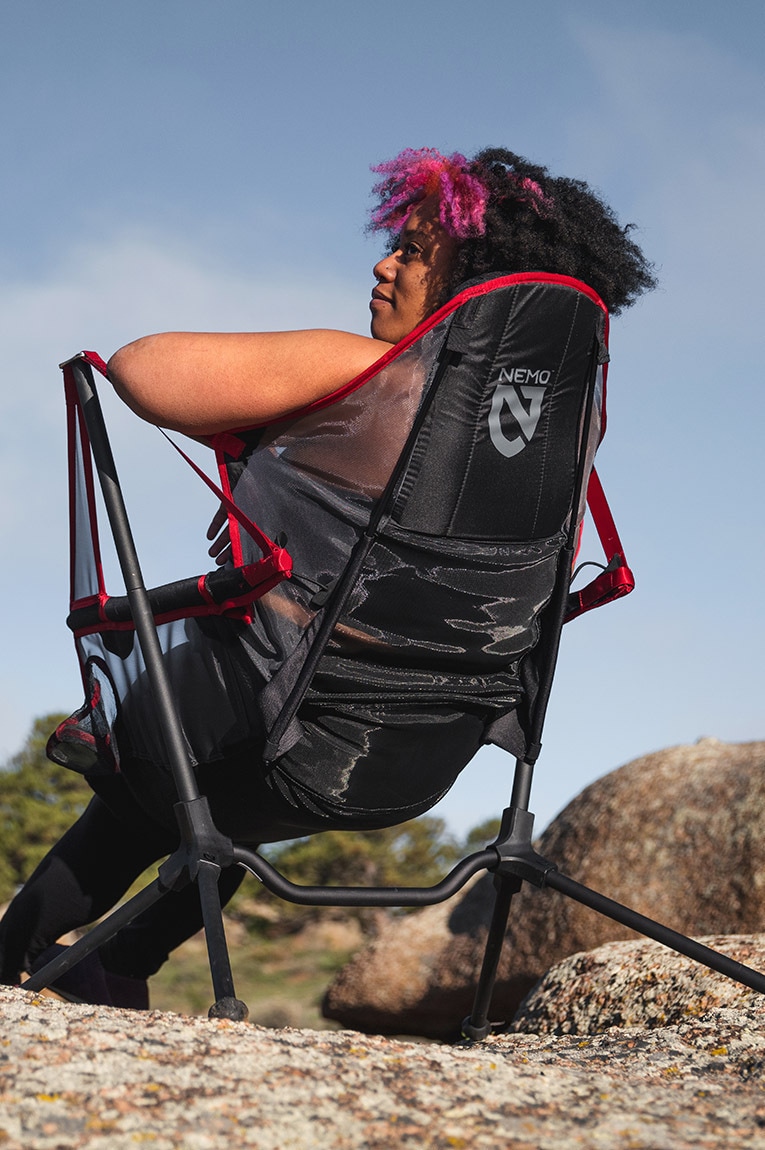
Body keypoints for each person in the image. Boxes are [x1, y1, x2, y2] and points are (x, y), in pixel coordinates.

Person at [0, 148, 656, 1007]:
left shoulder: (362, 374)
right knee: (225, 786)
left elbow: (139, 368)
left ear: (479, 274)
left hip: (271, 728)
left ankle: (20, 954)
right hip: (422, 756)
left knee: (175, 761)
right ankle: (118, 962)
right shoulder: (565, 438)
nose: (384, 263)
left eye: (416, 250)